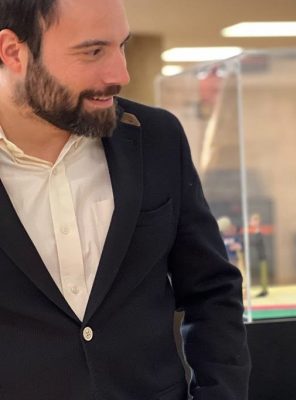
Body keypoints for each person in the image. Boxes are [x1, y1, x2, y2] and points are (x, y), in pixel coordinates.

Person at [0, 1, 250, 398]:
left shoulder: (157, 138)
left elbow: (213, 290)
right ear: (14, 52)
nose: (121, 74)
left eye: (122, 46)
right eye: (93, 51)